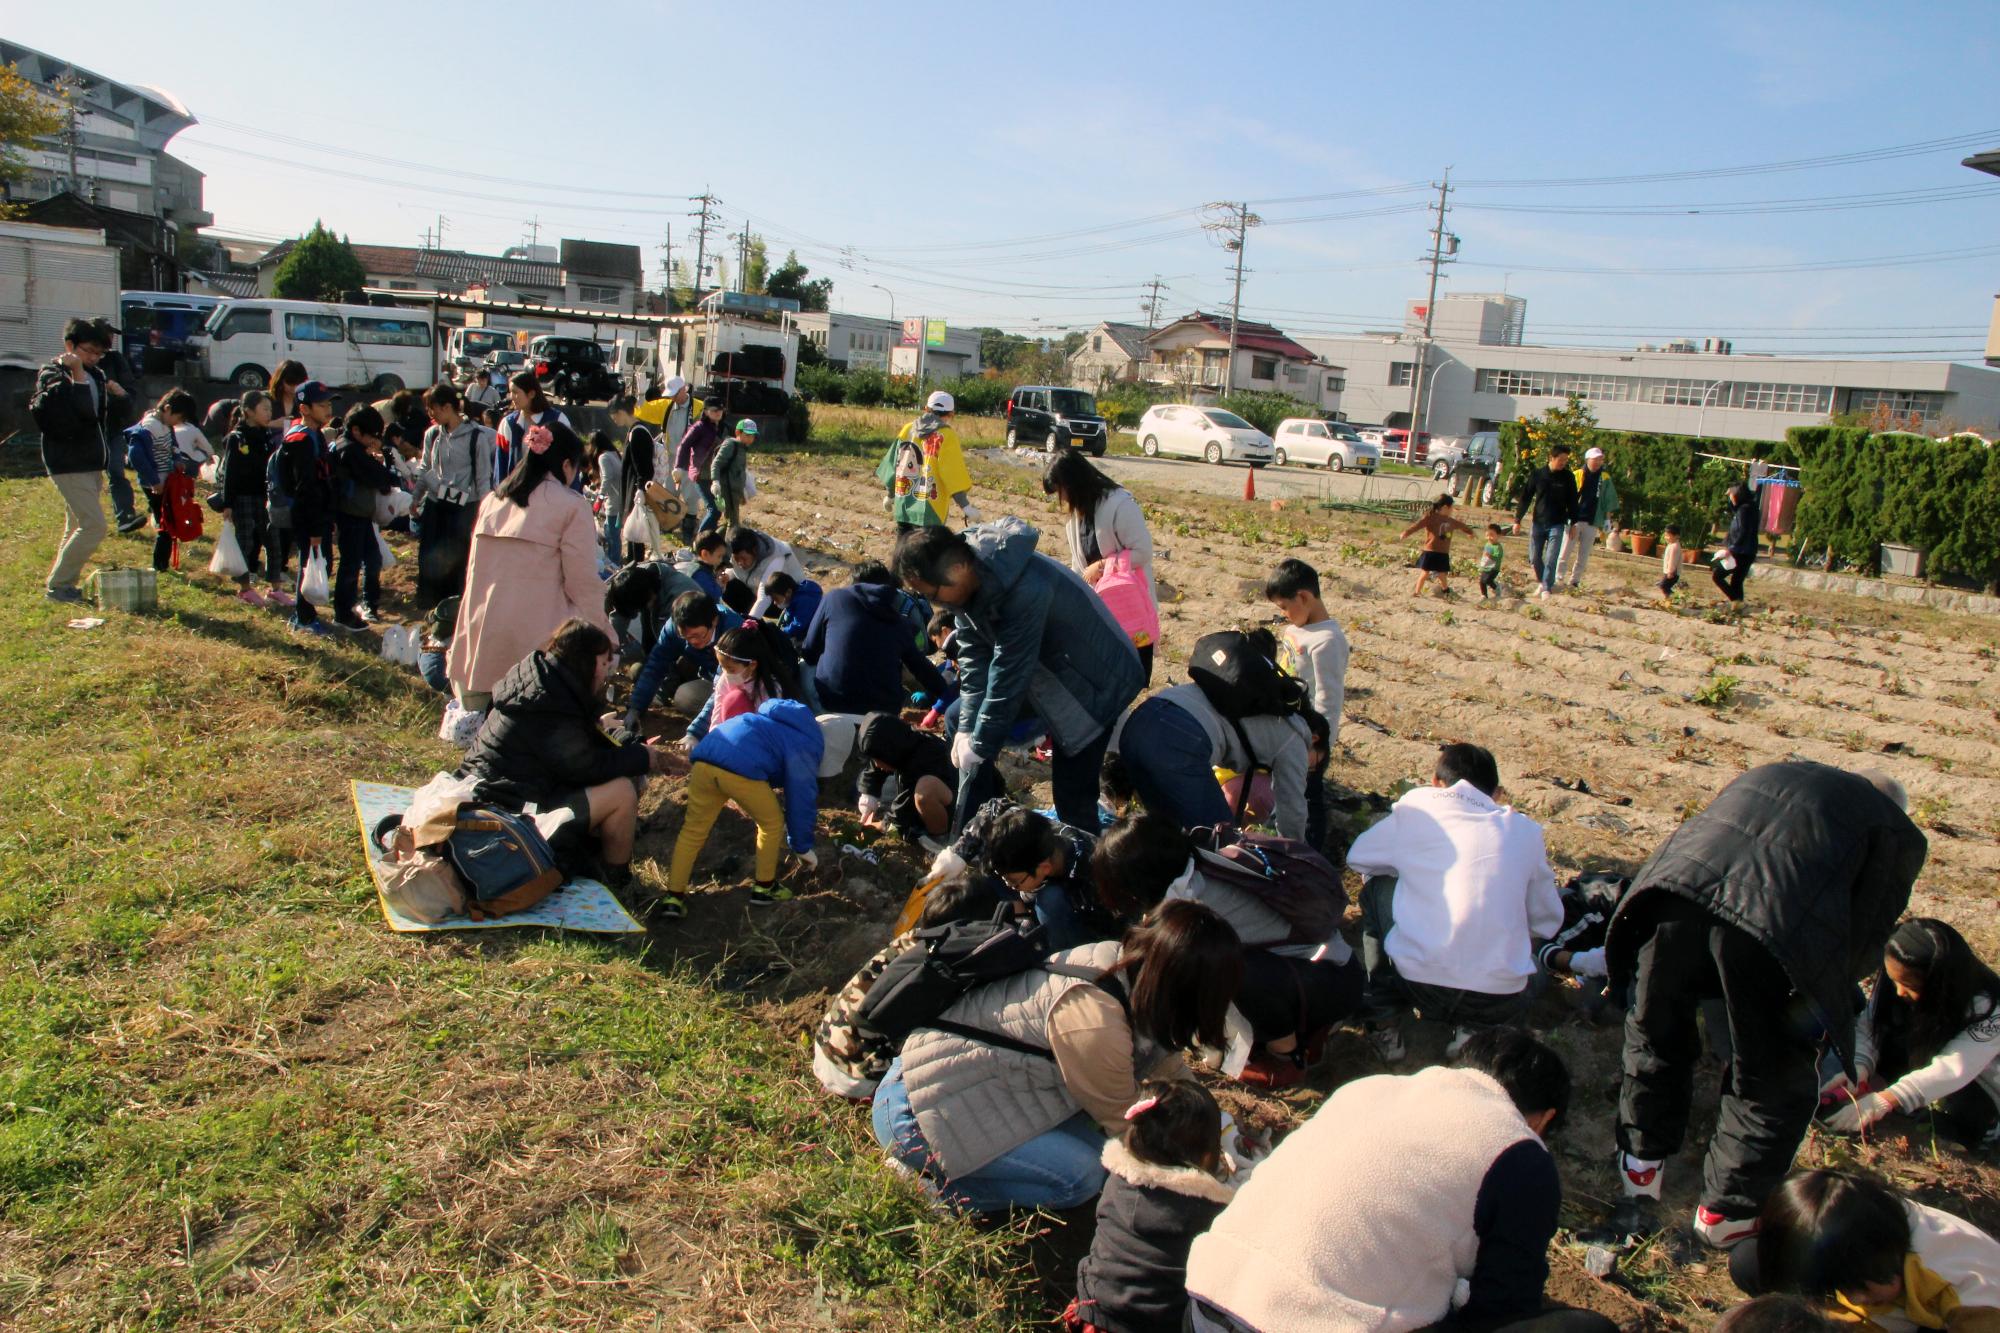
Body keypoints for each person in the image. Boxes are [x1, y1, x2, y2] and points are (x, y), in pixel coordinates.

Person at [1606, 762, 1928, 1249]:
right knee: (1771, 1076)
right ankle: (1725, 1216)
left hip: (1670, 895)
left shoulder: (1777, 772)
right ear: (1894, 807)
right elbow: (1863, 935)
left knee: (1657, 1031)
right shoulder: (1890, 826)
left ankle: (1640, 1168)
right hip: (1768, 931)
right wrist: (1824, 1008)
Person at [1186, 1029, 1614, 1333]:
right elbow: (1503, 1308)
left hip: (1204, 1301)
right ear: (1544, 1120)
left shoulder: (1369, 1088)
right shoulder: (1520, 1153)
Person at [872, 900, 1242, 1213]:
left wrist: (1216, 1122)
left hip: (971, 1086)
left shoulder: (1124, 966)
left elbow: (1163, 1060)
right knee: (1081, 1176)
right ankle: (935, 1193)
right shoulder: (1095, 1021)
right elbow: (1130, 1127)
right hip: (916, 1110)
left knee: (1095, 1147)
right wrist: (1203, 1174)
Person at [893, 520, 1143, 835]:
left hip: (1092, 683)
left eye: (934, 593)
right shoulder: (965, 585)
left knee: (1072, 797)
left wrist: (981, 742)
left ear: (957, 567)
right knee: (958, 718)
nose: (937, 604)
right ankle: (980, 828)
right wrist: (969, 729)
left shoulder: (1024, 588)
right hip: (1046, 671)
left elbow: (1009, 673)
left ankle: (1083, 866)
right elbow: (975, 661)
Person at [1090, 814, 1359, 1087]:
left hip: (1324, 981)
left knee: (1229, 974)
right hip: (1320, 967)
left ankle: (1288, 1058)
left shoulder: (1191, 910)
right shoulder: (1201, 858)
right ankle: (1287, 1034)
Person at [1348, 742, 1565, 1062]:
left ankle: (1383, 1018)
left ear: (1436, 781)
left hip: (1418, 985)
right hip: (1499, 998)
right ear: (1497, 793)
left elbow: (1359, 858)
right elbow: (1547, 921)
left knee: (1377, 886)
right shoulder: (1525, 832)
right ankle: (1474, 1032)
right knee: (1533, 973)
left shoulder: (1419, 810)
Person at [458, 618, 679, 892]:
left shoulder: (544, 681)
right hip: (509, 815)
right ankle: (617, 883)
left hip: (489, 792)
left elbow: (587, 736)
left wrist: (634, 744)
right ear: (586, 662)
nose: (605, 672)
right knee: (621, 791)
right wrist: (644, 758)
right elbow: (586, 766)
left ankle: (596, 857)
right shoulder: (553, 705)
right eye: (603, 663)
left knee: (619, 775)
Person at [447, 420, 607, 710]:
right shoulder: (571, 506)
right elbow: (582, 584)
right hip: (534, 650)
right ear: (567, 464)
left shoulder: (493, 501)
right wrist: (605, 633)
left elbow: (473, 573)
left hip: (479, 643)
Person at [1067, 1078, 1236, 1333]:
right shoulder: (1209, 1212)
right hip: (1154, 1324)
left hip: (1093, 1312)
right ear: (1206, 1155)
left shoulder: (1117, 1181)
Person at [1729, 1169, 2000, 1327]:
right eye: (1843, 1289)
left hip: (1954, 1321)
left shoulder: (1964, 1285)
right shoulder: (1862, 1233)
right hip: (1901, 1306)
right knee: (1748, 1263)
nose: (1855, 1298)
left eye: (1856, 1288)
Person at [1821, 918, 2000, 1152]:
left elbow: (1953, 1068)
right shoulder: (1898, 982)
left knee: (1968, 1122)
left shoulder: (1988, 1009)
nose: (1899, 991)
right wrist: (1859, 1065)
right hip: (1936, 1062)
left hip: (1983, 1092)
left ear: (1941, 985)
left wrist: (1886, 1099)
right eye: (1894, 980)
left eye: (1910, 985)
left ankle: (1975, 1135)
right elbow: (1871, 1024)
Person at [666, 697, 825, 910]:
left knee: (693, 830)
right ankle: (765, 887)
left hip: (704, 761)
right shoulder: (805, 743)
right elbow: (801, 798)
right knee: (771, 823)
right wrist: (801, 846)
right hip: (739, 770)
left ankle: (673, 896)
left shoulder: (762, 721)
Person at [1111, 679, 1316, 843]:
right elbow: (1292, 810)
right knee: (1222, 842)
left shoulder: (1253, 701)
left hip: (1140, 720)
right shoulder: (1296, 737)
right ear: (1316, 739)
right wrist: (1298, 859)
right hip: (1178, 739)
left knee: (1168, 837)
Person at [1044, 448, 1157, 678]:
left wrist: (1103, 566)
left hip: (1128, 606)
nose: (1061, 499)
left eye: (1061, 491)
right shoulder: (1077, 517)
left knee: (1131, 674)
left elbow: (1143, 552)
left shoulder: (1119, 504)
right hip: (1101, 611)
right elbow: (1080, 567)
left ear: (1074, 483)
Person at [32, 317, 115, 603]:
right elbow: (80, 415)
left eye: (98, 353)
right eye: (88, 351)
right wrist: (77, 374)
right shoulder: (53, 374)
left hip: (90, 460)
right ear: (70, 345)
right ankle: (59, 586)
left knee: (76, 525)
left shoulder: (97, 375)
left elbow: (102, 418)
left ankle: (63, 584)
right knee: (94, 525)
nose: (93, 358)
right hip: (68, 462)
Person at [803, 561, 954, 717]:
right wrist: (947, 693)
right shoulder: (899, 622)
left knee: (806, 667)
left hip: (834, 701)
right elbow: (921, 668)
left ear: (854, 581)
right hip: (882, 711)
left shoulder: (834, 598)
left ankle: (817, 720)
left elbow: (809, 650)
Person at [956, 799, 1110, 950]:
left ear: (1045, 868)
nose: (1008, 884)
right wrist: (958, 854)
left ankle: (1057, 952)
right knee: (988, 855)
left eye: (1014, 882)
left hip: (1083, 925)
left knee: (1051, 900)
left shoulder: (1093, 871)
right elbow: (993, 806)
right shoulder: (1035, 830)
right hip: (1043, 883)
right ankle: (1021, 915)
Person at [416, 382, 497, 608]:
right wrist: (416, 498)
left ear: (448, 407)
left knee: (458, 559)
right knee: (430, 556)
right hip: (436, 503)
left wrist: (485, 511)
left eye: (434, 409)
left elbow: (483, 478)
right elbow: (424, 468)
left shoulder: (475, 437)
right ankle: (432, 605)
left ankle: (455, 605)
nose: (431, 414)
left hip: (464, 506)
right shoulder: (432, 435)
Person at [1264, 561, 1349, 750]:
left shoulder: (1327, 640)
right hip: (1286, 718)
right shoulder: (1294, 630)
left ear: (1303, 597)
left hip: (1306, 729)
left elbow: (1329, 698)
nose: (1283, 614)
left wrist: (1321, 741)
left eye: (1284, 606)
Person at [276, 381, 338, 634]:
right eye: (322, 405)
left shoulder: (315, 435)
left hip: (318, 513)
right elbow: (306, 488)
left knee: (317, 562)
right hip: (307, 515)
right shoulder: (301, 439)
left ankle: (307, 615)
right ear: (304, 408)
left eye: (329, 404)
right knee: (308, 563)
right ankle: (303, 618)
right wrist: (314, 527)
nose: (328, 410)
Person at [330, 404, 398, 632]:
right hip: (351, 515)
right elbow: (382, 478)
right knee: (350, 564)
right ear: (357, 431)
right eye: (372, 435)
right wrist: (380, 461)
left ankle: (358, 605)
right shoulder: (350, 451)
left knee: (370, 559)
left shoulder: (347, 446)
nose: (374, 440)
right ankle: (343, 612)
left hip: (359, 514)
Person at [623, 589, 727, 730]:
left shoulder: (732, 632)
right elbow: (656, 663)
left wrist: (695, 733)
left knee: (686, 697)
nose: (692, 642)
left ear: (714, 622)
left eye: (698, 635)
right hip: (705, 669)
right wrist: (635, 708)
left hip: (734, 683)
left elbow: (726, 683)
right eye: (686, 637)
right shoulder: (674, 628)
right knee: (639, 671)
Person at [880, 389, 979, 532]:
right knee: (928, 553)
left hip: (904, 505)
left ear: (926, 409)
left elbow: (894, 464)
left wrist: (890, 495)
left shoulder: (907, 429)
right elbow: (951, 474)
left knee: (903, 551)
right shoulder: (946, 435)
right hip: (930, 511)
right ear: (951, 414)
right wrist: (966, 507)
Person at [134, 389, 210, 573]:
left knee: (170, 521)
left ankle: (163, 563)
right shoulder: (149, 426)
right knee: (166, 524)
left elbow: (173, 445)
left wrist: (177, 461)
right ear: (167, 409)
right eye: (179, 418)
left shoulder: (166, 426)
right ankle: (159, 565)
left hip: (166, 481)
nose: (178, 423)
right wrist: (153, 480)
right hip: (155, 484)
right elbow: (136, 455)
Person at [856, 711, 958, 845]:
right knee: (887, 792)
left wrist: (877, 826)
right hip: (931, 791)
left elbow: (903, 811)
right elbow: (876, 764)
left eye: (878, 759)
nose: (877, 764)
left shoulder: (926, 758)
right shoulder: (905, 743)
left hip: (958, 808)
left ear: (891, 751)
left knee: (924, 793)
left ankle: (941, 839)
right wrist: (869, 794)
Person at [218, 391, 278, 606]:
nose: (269, 413)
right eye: (264, 409)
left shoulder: (266, 437)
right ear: (248, 412)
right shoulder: (237, 438)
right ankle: (244, 588)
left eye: (270, 409)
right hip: (243, 497)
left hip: (264, 496)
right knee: (245, 540)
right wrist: (228, 503)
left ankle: (276, 587)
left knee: (271, 539)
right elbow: (231, 473)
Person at [92, 320, 145, 534]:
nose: (110, 339)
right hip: (88, 429)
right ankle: (84, 522)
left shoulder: (115, 359)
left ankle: (125, 516)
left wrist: (119, 393)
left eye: (111, 335)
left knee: (116, 470)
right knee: (89, 478)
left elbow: (130, 392)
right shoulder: (80, 362)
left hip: (114, 426)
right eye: (106, 334)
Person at [603, 559, 700, 665]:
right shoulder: (633, 580)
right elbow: (620, 614)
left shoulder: (680, 598)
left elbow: (670, 647)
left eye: (642, 607)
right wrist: (609, 649)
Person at [1514, 443, 1578, 601]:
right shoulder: (1538, 475)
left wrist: (1573, 523)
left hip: (1557, 523)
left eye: (1565, 460)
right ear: (1551, 457)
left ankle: (1547, 587)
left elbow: (1573, 502)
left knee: (1551, 557)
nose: (1563, 463)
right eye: (1561, 459)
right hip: (1538, 522)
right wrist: (1517, 519)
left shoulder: (1568, 477)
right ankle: (1543, 581)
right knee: (1534, 557)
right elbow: (1526, 497)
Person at [1557, 446, 1618, 588]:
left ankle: (1575, 581)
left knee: (1583, 555)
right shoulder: (1577, 474)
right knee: (1565, 550)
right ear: (1587, 460)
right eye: (1595, 459)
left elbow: (1608, 499)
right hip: (1574, 520)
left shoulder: (1605, 478)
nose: (1597, 462)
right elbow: (1565, 496)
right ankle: (1558, 577)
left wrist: (1608, 519)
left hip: (1592, 520)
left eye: (1600, 460)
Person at [607, 394, 656, 563]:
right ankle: (634, 564)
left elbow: (643, 467)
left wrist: (640, 490)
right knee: (634, 534)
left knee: (636, 536)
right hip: (633, 490)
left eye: (613, 415)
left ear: (620, 412)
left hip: (636, 491)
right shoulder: (634, 431)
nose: (613, 419)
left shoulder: (638, 434)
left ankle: (636, 566)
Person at [495, 371, 569, 479]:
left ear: (531, 394)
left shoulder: (558, 420)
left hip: (549, 490)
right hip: (516, 491)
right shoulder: (508, 423)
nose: (512, 397)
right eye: (510, 392)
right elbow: (501, 464)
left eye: (515, 392)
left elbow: (570, 460)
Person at [1402, 493, 1476, 597]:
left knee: (1442, 574)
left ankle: (1445, 590)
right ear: (1445, 507)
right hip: (1430, 551)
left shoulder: (1451, 521)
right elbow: (1417, 525)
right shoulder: (1430, 518)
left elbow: (1462, 526)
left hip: (1443, 553)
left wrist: (1470, 533)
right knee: (1425, 573)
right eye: (1452, 508)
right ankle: (1417, 592)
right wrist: (1406, 532)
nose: (1452, 511)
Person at [726, 527, 809, 619]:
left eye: (744, 559)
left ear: (754, 550)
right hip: (758, 592)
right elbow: (734, 571)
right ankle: (748, 621)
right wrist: (726, 577)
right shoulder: (737, 550)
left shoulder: (775, 559)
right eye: (737, 559)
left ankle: (753, 625)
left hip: (783, 602)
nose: (740, 563)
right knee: (727, 586)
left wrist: (749, 624)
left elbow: (764, 598)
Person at [673, 398, 728, 534]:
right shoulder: (699, 427)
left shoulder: (723, 427)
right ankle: (700, 541)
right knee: (713, 509)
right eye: (714, 410)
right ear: (706, 411)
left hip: (716, 475)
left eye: (720, 410)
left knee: (718, 510)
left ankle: (710, 539)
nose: (718, 413)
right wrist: (679, 467)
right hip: (701, 473)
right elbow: (684, 446)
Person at [1714, 483, 1760, 607]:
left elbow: (1744, 531)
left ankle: (1737, 602)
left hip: (1741, 551)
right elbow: (1735, 508)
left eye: (1731, 495)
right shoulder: (1749, 507)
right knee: (1736, 581)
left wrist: (1732, 548)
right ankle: (1738, 606)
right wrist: (1730, 498)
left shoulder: (1745, 510)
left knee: (1717, 576)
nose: (1730, 497)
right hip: (1748, 551)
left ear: (1738, 495)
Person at [711, 418, 756, 531]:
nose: (750, 439)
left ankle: (717, 543)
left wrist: (742, 494)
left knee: (730, 522)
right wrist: (715, 482)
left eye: (753, 436)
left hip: (734, 493)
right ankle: (724, 545)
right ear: (737, 433)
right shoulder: (731, 445)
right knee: (733, 524)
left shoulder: (742, 448)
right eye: (747, 435)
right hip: (727, 491)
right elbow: (716, 464)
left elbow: (739, 473)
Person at [759, 570, 822, 648]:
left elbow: (799, 625)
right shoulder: (794, 600)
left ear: (788, 592)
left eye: (775, 598)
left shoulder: (804, 601)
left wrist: (781, 632)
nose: (774, 603)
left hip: (814, 636)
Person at [268, 359, 308, 425]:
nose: (295, 387)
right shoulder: (265, 399)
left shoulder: (306, 400)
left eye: (299, 383)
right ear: (280, 381)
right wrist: (273, 424)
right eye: (290, 383)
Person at [1657, 524, 1684, 606]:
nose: (1666, 538)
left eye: (1668, 536)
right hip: (1670, 572)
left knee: (1663, 586)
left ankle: (1673, 599)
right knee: (1664, 586)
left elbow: (1673, 560)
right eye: (1665, 535)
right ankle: (1672, 599)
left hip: (1672, 573)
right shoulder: (1672, 545)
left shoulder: (1675, 546)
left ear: (1677, 536)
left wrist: (1670, 572)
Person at [1479, 523, 1506, 599]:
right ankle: (1484, 595)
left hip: (1494, 568)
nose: (1489, 537)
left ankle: (1497, 588)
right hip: (1485, 566)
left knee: (1487, 580)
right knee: (1482, 581)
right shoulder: (1487, 544)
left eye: (1492, 535)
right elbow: (1484, 555)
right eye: (1487, 535)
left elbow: (1497, 558)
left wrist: (1489, 556)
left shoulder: (1498, 547)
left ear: (1498, 535)